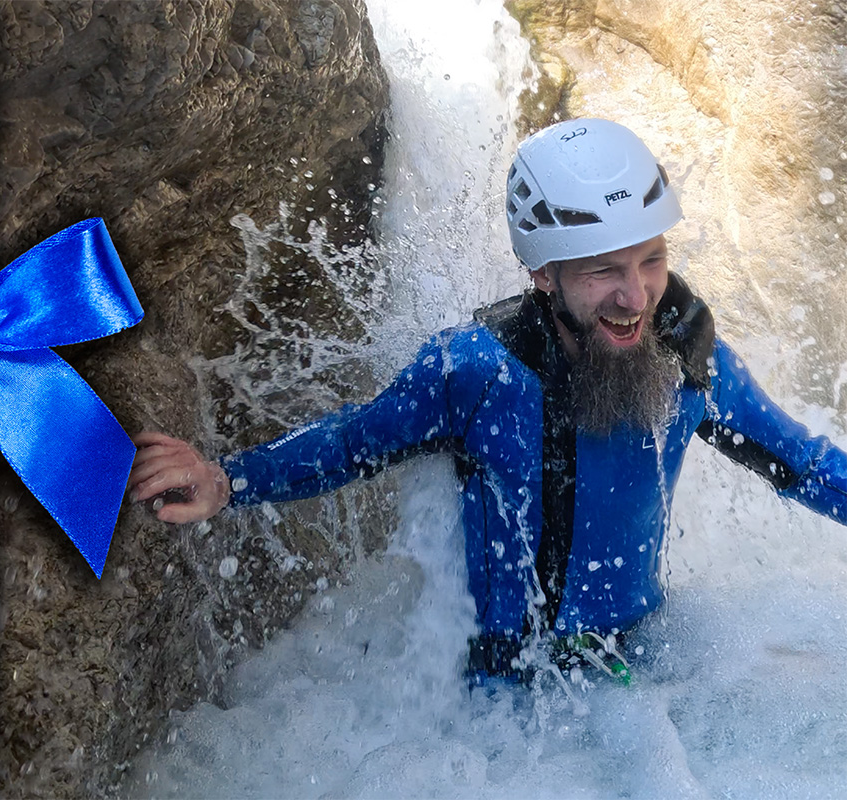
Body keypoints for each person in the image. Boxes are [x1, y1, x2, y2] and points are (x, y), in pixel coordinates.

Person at [129, 118, 847, 681]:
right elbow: (353, 443)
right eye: (604, 272)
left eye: (651, 260)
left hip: (642, 654)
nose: (637, 297)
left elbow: (804, 465)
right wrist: (229, 480)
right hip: (506, 692)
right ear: (542, 274)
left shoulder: (689, 357)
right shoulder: (477, 373)